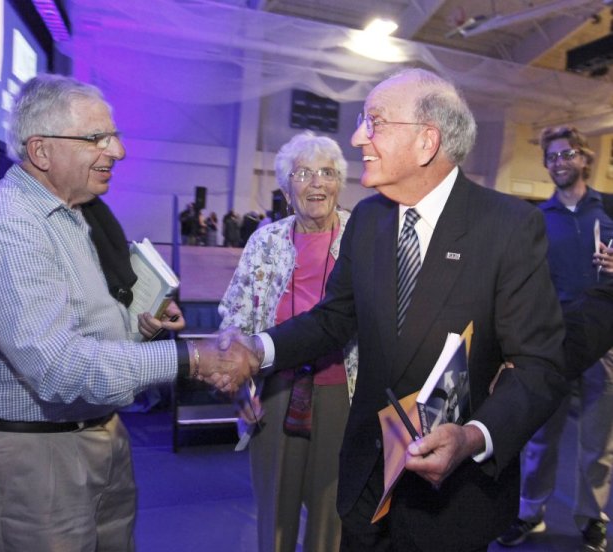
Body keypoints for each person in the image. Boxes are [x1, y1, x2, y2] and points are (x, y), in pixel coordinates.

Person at [221, 68, 568, 551]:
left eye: (374, 122)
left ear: (427, 142)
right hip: (366, 483)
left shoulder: (508, 227)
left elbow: (539, 366)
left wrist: (472, 436)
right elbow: (333, 319)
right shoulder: (368, 220)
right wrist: (258, 349)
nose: (358, 135)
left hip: (453, 498)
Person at [0, 74, 257, 552]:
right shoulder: (8, 230)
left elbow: (87, 327)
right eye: (97, 138)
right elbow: (58, 367)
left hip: (95, 437)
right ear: (41, 151)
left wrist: (139, 325)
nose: (118, 151)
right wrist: (189, 359)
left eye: (112, 136)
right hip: (36, 456)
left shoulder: (71, 214)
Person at [219, 132, 358, 552]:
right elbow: (235, 318)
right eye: (303, 173)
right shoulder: (266, 241)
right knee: (274, 514)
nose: (316, 182)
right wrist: (239, 384)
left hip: (344, 392)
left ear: (339, 183)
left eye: (327, 173)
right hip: (276, 389)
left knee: (331, 517)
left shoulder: (361, 235)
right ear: (285, 189)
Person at [497, 126, 613, 551]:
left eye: (567, 154)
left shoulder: (611, 210)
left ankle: (591, 519)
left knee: (598, 442)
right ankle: (531, 513)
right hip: (552, 343)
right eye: (552, 157)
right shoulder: (535, 220)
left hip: (604, 343)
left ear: (584, 159)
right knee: (541, 437)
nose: (560, 162)